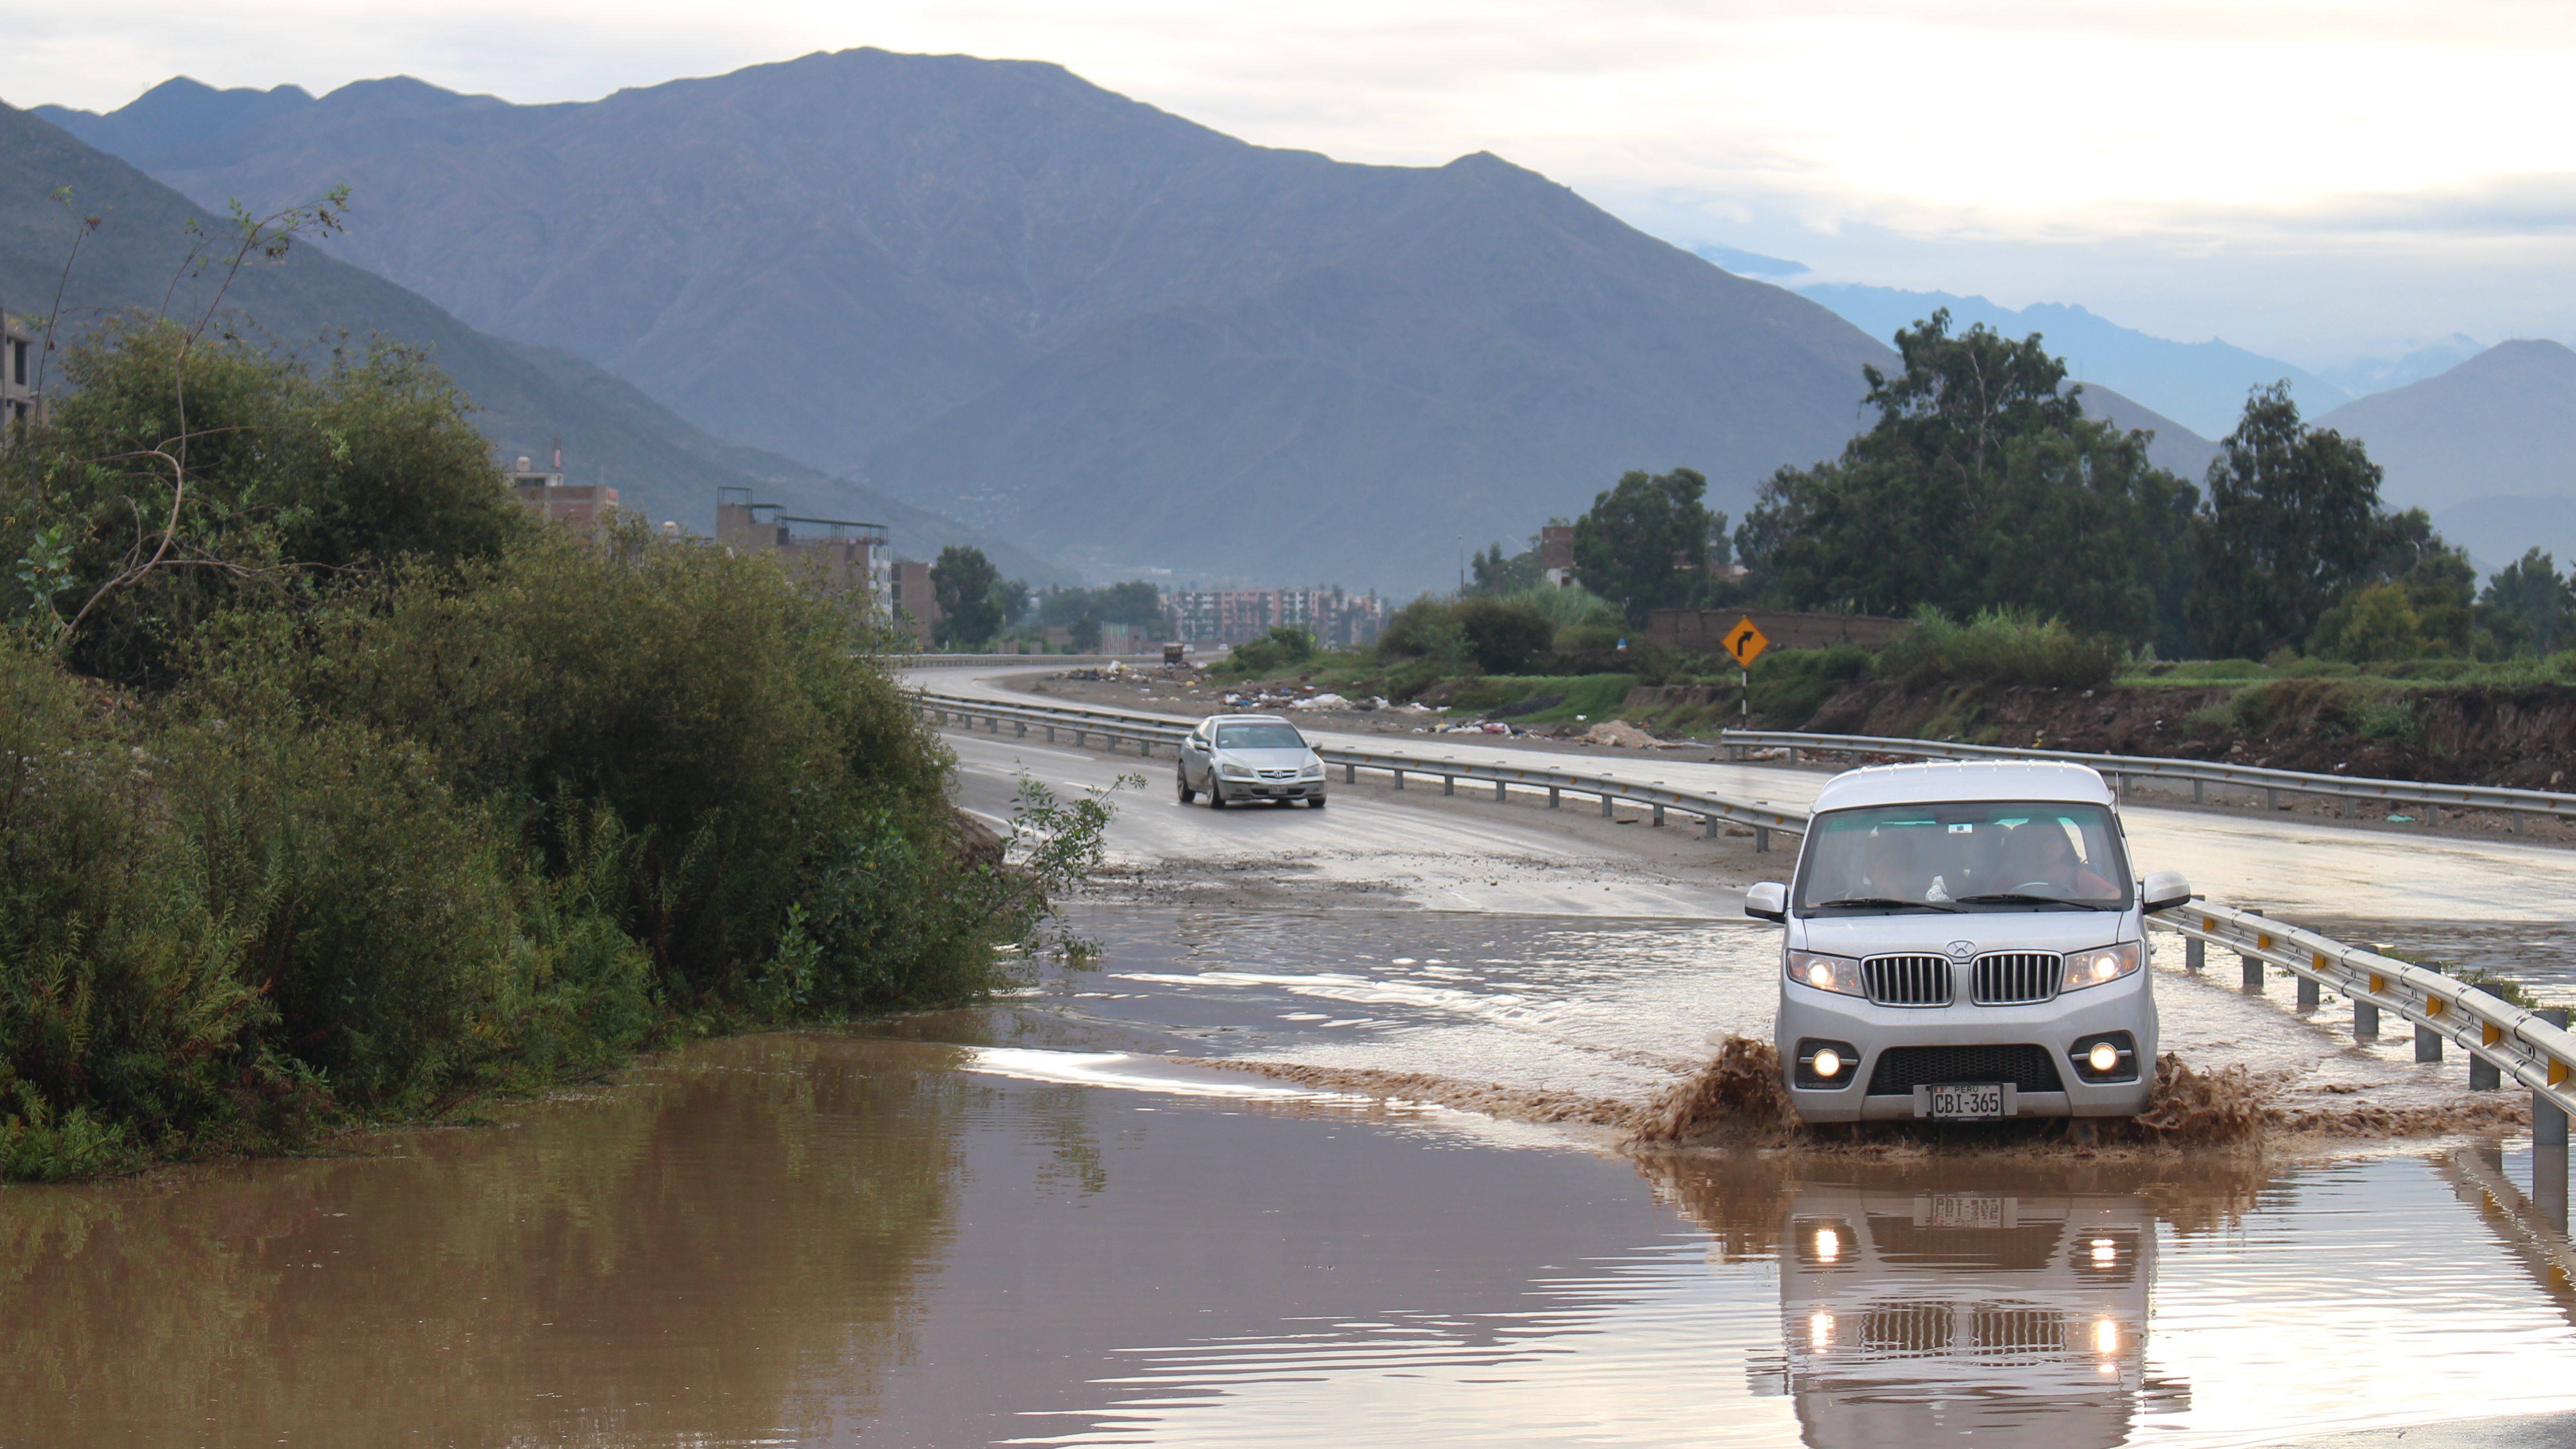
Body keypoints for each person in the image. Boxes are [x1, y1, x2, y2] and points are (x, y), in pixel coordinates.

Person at [1998, 820, 2116, 900]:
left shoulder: (2079, 878)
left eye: (2050, 839)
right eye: (2036, 839)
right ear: (2025, 846)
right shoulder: (2009, 878)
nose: (2043, 846)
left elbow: (2115, 897)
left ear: (2063, 846)